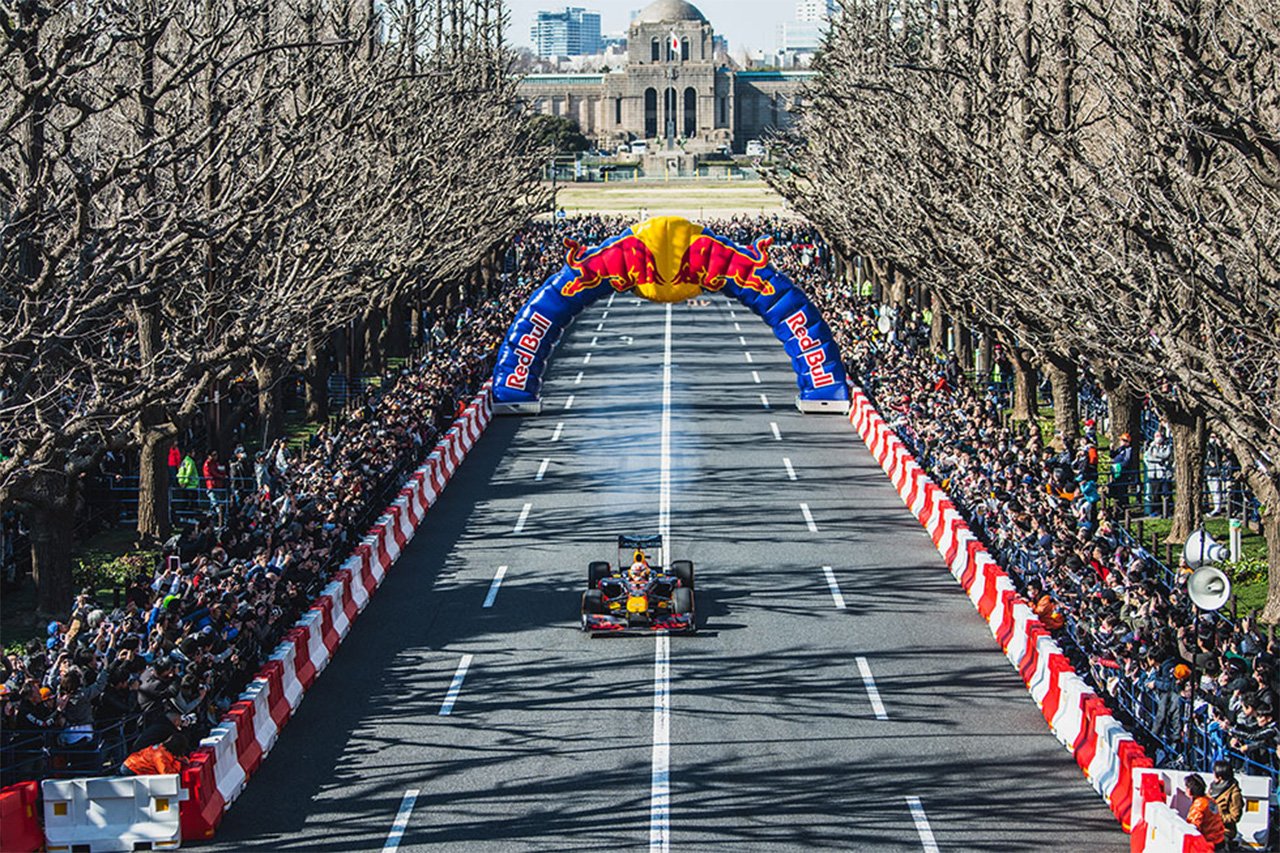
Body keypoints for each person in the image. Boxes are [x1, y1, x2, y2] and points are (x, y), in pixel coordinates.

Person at [1185, 774, 1227, 849]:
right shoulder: (1209, 800)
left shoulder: (1199, 805)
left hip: (1210, 842)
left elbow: (1193, 826)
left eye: (1187, 787)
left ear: (1191, 790)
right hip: (1219, 839)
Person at [120, 732, 187, 776]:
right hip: (132, 768)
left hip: (131, 763)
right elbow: (167, 775)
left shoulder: (163, 749)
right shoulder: (161, 756)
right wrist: (178, 763)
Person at [1209, 760, 1242, 847]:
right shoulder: (1212, 787)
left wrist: (1219, 818)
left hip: (1225, 830)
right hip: (1210, 827)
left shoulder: (1234, 793)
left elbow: (1235, 816)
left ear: (1220, 777)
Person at [1144, 428, 1173, 517]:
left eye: (1159, 436)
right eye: (1156, 436)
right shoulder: (1151, 447)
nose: (1158, 438)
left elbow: (1166, 455)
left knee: (1166, 493)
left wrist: (1156, 456)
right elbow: (1148, 458)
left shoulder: (1167, 446)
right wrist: (1159, 459)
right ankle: (1158, 510)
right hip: (1154, 474)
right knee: (1155, 494)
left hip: (1164, 474)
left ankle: (1169, 510)